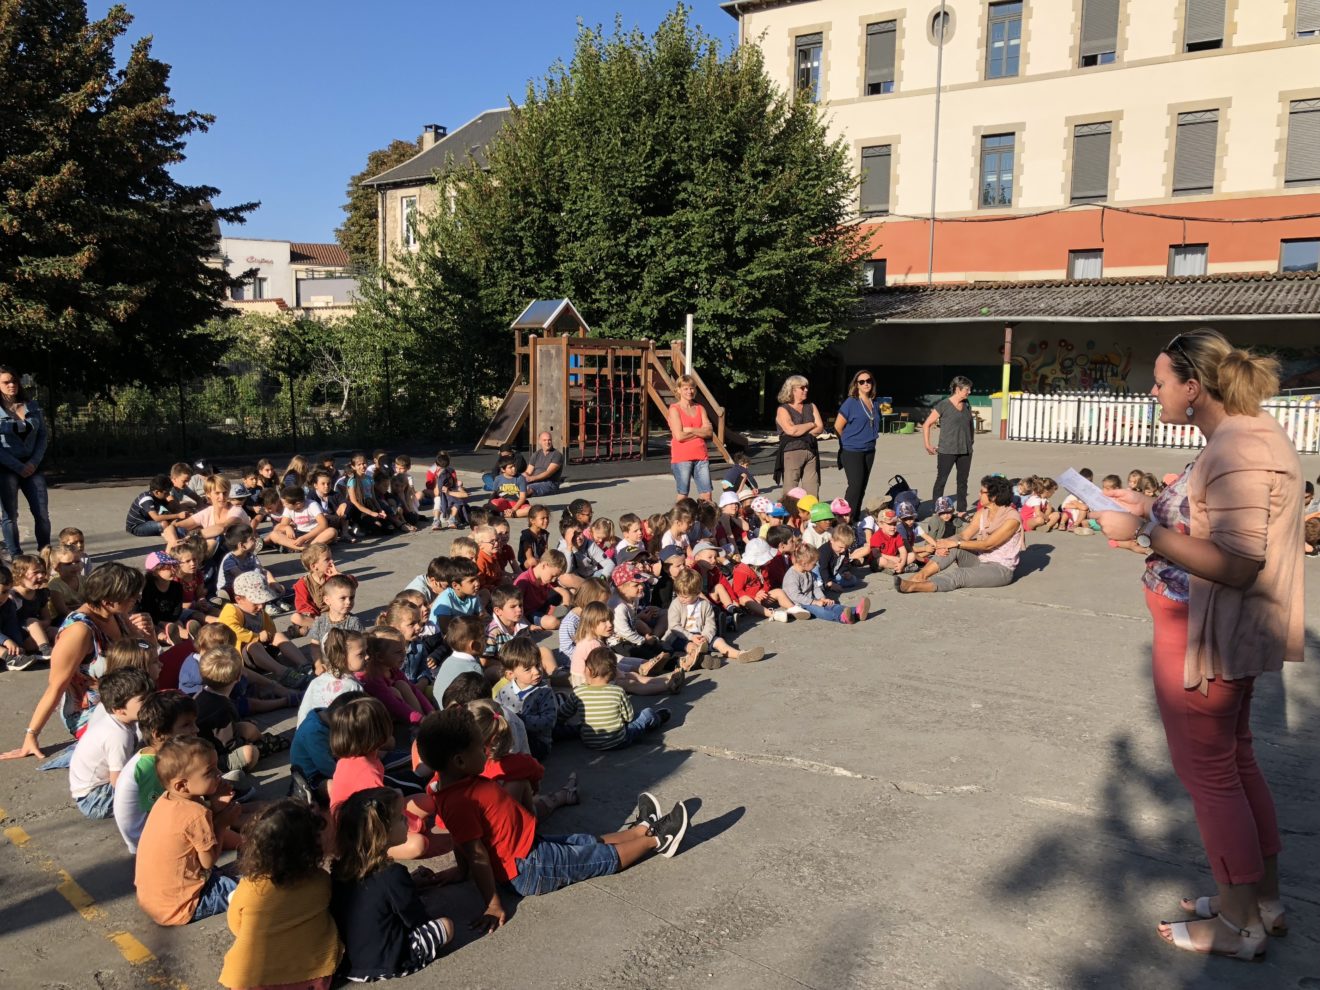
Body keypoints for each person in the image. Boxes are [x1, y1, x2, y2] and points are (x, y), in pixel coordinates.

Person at [1092, 329, 1302, 961]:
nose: (1151, 390)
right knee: (1233, 763)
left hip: (1204, 638)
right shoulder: (1238, 436)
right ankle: (1258, 899)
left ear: (1193, 386)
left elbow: (1237, 563)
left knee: (1210, 775)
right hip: (1210, 629)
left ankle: (1239, 926)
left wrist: (1145, 534)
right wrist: (1150, 507)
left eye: (1159, 381)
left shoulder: (1237, 448)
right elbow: (1205, 518)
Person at [417, 705, 690, 920]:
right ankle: (657, 840)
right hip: (527, 867)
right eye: (480, 748)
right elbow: (474, 853)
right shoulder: (459, 799)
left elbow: (460, 838)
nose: (485, 752)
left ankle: (641, 829)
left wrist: (459, 872)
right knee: (599, 858)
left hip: (527, 849)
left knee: (584, 842)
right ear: (460, 760)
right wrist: (492, 904)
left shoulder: (448, 785)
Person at [2, 562, 155, 760]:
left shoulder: (117, 615)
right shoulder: (79, 631)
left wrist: (148, 635)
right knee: (159, 730)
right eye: (132, 596)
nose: (137, 599)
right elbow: (56, 686)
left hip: (129, 698)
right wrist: (31, 735)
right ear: (108, 600)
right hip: (93, 712)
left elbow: (148, 659)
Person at [329, 788, 454, 981]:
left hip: (353, 964)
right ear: (382, 833)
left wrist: (410, 884)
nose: (406, 820)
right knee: (446, 926)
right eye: (399, 817)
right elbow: (416, 919)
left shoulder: (340, 869)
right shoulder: (393, 874)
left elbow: (374, 897)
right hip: (390, 961)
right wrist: (408, 888)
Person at [219, 801, 343, 990]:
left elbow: (236, 925)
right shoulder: (321, 880)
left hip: (255, 981)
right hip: (313, 977)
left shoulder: (251, 886)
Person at [135, 735, 240, 926]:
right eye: (210, 771)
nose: (219, 774)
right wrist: (223, 822)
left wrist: (217, 812)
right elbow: (208, 862)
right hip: (184, 905)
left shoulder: (167, 800)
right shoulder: (195, 814)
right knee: (254, 888)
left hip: (155, 901)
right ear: (182, 785)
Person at [896, 476, 1023, 593]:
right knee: (952, 545)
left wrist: (955, 543)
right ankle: (919, 576)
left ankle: (914, 586)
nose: (979, 494)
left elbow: (987, 544)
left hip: (1000, 569)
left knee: (959, 574)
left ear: (994, 497)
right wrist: (943, 545)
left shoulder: (1011, 519)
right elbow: (963, 536)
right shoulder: (982, 513)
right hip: (979, 559)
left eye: (982, 492)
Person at [68, 667, 155, 819]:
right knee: (156, 789)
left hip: (88, 791)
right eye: (143, 700)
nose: (150, 703)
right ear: (120, 710)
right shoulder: (119, 735)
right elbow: (119, 782)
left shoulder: (116, 722)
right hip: (95, 800)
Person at [0, 366, 51, 556]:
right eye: (6, 382)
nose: (12, 385)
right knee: (10, 516)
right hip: (6, 467)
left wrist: (33, 462)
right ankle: (16, 558)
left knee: (42, 514)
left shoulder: (32, 405)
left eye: (14, 381)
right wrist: (18, 466)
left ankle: (45, 554)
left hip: (32, 465)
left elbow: (43, 436)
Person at [833, 370, 882, 522]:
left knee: (862, 487)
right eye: (862, 382)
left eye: (869, 381)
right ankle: (844, 520)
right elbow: (837, 426)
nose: (866, 384)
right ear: (856, 385)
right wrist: (847, 442)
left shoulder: (874, 403)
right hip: (852, 450)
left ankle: (854, 519)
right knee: (854, 487)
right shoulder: (851, 403)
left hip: (869, 450)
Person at [922, 375, 976, 513]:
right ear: (957, 389)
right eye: (967, 389)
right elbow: (927, 424)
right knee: (941, 481)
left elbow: (970, 424)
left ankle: (962, 510)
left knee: (963, 482)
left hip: (965, 450)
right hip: (947, 450)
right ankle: (937, 510)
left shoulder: (967, 404)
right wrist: (927, 444)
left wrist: (971, 440)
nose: (969, 392)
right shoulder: (943, 405)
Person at [773, 375, 824, 497]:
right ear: (792, 390)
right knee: (791, 493)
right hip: (792, 452)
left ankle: (811, 515)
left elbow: (820, 428)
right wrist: (811, 424)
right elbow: (791, 430)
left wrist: (801, 430)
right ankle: (790, 515)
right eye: (802, 387)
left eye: (806, 387)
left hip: (810, 452)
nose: (806, 390)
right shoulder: (782, 409)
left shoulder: (811, 406)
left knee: (812, 490)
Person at [667, 375, 713, 503]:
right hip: (682, 458)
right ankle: (678, 522)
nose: (689, 391)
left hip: (701, 456)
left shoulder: (699, 408)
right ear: (679, 390)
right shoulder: (674, 409)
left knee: (707, 495)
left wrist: (691, 429)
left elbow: (709, 432)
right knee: (683, 495)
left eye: (692, 388)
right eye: (686, 388)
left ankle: (705, 522)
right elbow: (679, 436)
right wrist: (700, 431)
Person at [524, 431, 565, 497]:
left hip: (549, 483)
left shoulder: (557, 455)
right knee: (515, 485)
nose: (547, 442)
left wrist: (532, 478)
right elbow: (528, 471)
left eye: (549, 440)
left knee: (526, 489)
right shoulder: (536, 454)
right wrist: (521, 477)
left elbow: (548, 473)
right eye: (544, 440)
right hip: (535, 481)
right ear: (539, 441)